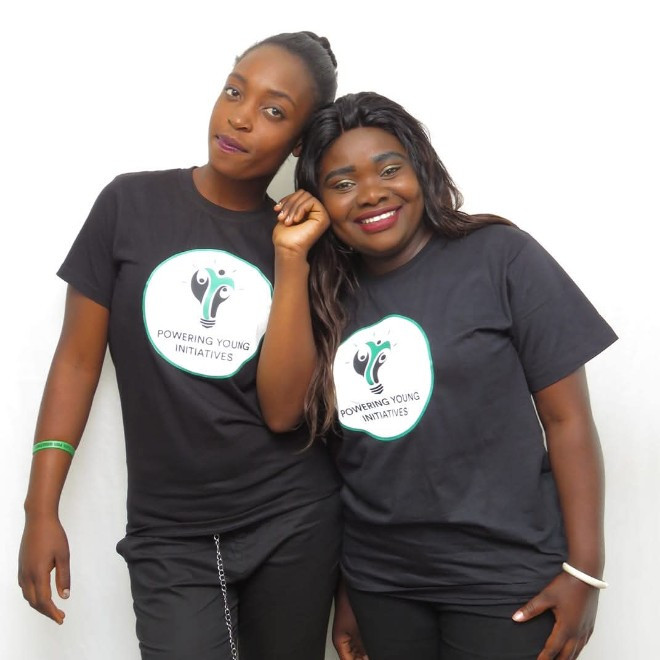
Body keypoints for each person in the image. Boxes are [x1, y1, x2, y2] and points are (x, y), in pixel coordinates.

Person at [257, 92, 617, 660]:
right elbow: (303, 426)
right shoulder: (328, 293)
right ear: (320, 201)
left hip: (503, 577)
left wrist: (585, 570)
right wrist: (349, 588)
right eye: (342, 183)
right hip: (382, 584)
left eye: (389, 170)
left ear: (421, 168)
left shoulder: (500, 257)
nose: (370, 194)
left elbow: (567, 421)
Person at [18, 32, 342, 660]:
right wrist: (40, 509)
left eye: (274, 111)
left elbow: (285, 410)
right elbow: (77, 363)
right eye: (234, 92)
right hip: (169, 532)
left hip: (293, 519)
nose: (240, 118)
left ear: (300, 142)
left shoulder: (301, 243)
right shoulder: (129, 204)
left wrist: (292, 260)